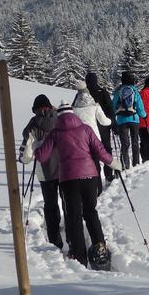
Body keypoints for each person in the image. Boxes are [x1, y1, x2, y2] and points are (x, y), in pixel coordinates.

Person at [33, 106, 122, 267]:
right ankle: (100, 248)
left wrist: (36, 147)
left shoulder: (55, 132)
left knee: (74, 216)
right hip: (90, 176)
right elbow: (100, 151)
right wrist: (113, 163)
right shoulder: (86, 129)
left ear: (58, 116)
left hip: (68, 179)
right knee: (90, 212)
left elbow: (41, 156)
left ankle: (79, 256)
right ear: (73, 114)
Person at [19, 94, 63, 249]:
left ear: (35, 109)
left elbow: (26, 156)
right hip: (66, 168)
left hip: (45, 171)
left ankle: (55, 241)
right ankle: (72, 238)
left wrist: (23, 159)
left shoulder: (33, 125)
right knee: (68, 203)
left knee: (50, 205)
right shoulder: (60, 118)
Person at [72, 80, 112, 194]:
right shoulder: (95, 105)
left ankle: (87, 190)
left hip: (79, 141)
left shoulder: (74, 107)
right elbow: (104, 122)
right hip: (94, 138)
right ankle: (98, 188)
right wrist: (111, 121)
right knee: (96, 164)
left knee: (83, 165)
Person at [86, 71, 116, 185]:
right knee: (107, 149)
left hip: (89, 129)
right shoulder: (103, 92)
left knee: (92, 153)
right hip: (103, 126)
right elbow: (110, 108)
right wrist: (113, 123)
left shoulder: (83, 95)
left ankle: (96, 178)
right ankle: (108, 174)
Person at [111, 71, 146, 169]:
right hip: (134, 119)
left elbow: (113, 106)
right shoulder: (135, 91)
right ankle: (136, 164)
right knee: (135, 142)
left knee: (124, 143)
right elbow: (140, 107)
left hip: (121, 120)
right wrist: (144, 115)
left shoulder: (118, 92)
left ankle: (125, 165)